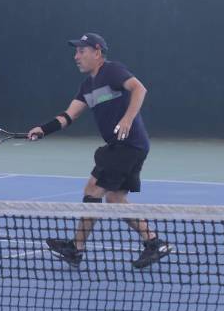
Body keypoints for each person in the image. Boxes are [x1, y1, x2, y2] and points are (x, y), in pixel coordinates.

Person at [28, 33, 172, 269]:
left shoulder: (112, 71)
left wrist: (127, 119)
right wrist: (43, 130)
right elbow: (68, 116)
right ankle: (154, 243)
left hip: (128, 143)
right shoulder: (87, 86)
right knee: (115, 198)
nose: (76, 57)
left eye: (81, 51)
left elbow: (140, 89)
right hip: (123, 146)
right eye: (75, 52)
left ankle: (76, 249)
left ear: (97, 52)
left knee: (93, 189)